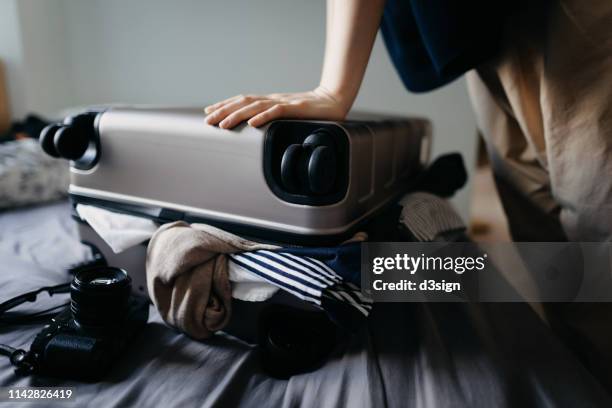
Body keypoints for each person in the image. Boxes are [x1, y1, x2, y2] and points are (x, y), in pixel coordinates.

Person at [205, 0, 612, 390]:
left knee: (597, 228)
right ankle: (589, 375)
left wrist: (334, 89)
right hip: (486, 25)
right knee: (544, 237)